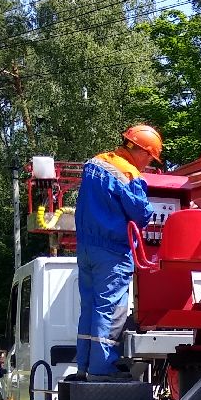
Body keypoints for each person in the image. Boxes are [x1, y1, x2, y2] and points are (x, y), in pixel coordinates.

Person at [73, 124, 162, 379]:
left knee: (89, 308)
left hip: (86, 248)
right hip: (112, 251)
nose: (148, 163)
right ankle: (103, 368)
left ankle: (84, 367)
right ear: (143, 151)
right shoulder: (129, 174)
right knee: (109, 308)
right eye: (150, 157)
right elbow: (142, 213)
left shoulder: (95, 163)